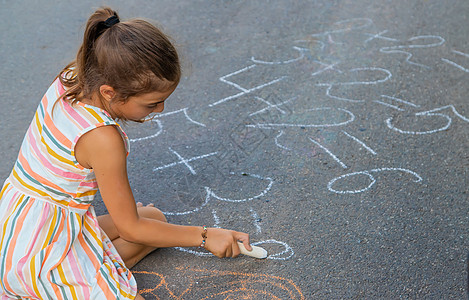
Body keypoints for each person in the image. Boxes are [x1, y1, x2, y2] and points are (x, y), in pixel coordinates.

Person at [0, 7, 251, 300]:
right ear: (109, 92)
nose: (160, 110)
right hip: (40, 250)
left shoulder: (75, 74)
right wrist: (206, 236)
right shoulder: (102, 138)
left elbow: (134, 225)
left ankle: (69, 272)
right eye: (152, 103)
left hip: (17, 220)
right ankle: (45, 284)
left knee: (154, 217)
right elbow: (130, 228)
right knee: (137, 241)